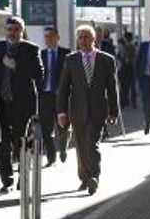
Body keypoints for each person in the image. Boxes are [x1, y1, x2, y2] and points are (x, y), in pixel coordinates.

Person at [0, 16, 43, 194]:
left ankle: (23, 177)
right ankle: (6, 181)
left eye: (16, 30)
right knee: (3, 142)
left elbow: (38, 74)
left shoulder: (31, 49)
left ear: (22, 31)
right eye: (9, 30)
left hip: (23, 103)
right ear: (5, 30)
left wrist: (15, 66)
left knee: (21, 142)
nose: (13, 33)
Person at [57, 25, 119, 195]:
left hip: (98, 110)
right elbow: (63, 88)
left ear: (94, 39)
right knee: (81, 146)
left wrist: (114, 111)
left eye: (86, 37)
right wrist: (61, 112)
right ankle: (84, 177)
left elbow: (112, 88)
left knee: (92, 143)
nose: (83, 40)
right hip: (77, 111)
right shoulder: (71, 60)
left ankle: (94, 177)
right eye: (80, 37)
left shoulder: (106, 59)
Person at [37, 27, 71, 167]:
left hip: (61, 95)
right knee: (46, 128)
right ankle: (51, 157)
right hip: (45, 95)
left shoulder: (67, 54)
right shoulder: (40, 54)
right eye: (45, 36)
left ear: (57, 37)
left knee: (63, 126)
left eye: (51, 36)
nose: (48, 39)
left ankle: (62, 148)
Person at [118, 31, 137, 108]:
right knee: (132, 86)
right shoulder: (133, 46)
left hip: (126, 67)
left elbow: (123, 57)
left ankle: (124, 102)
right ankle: (132, 102)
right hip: (132, 67)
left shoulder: (126, 47)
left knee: (124, 86)